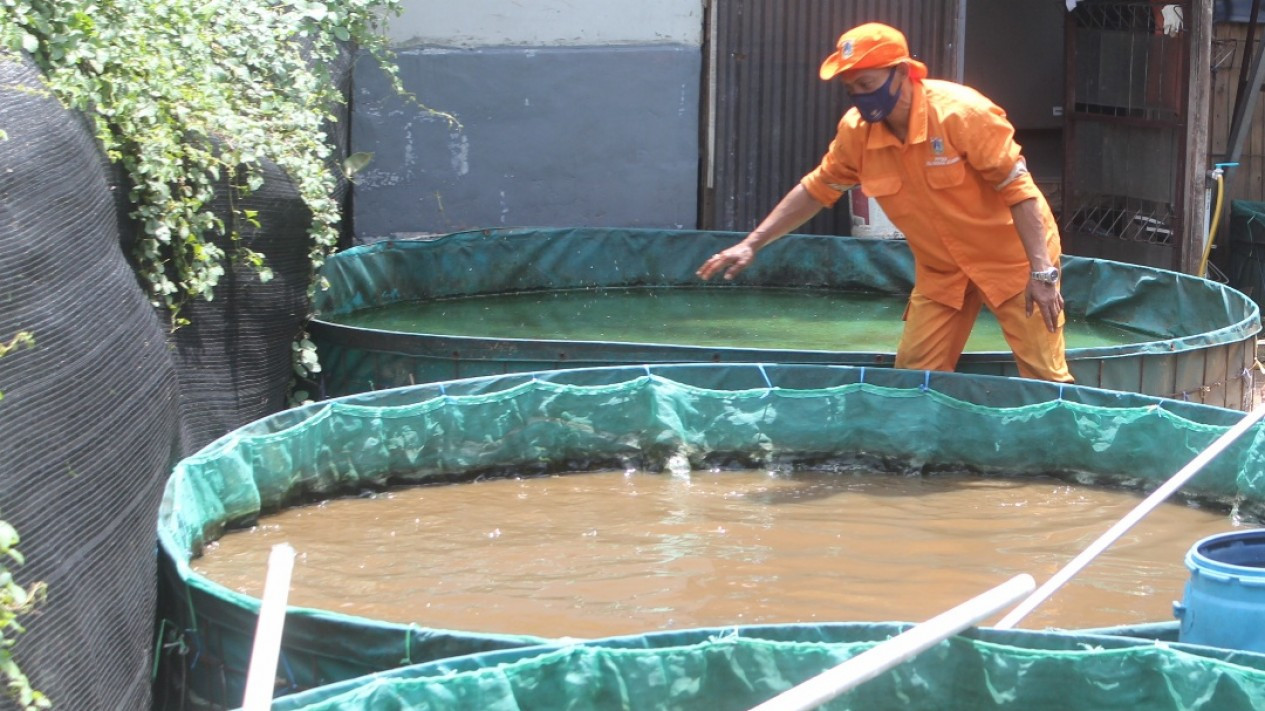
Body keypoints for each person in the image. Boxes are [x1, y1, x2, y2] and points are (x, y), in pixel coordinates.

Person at [696, 22, 1073, 383]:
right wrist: (752, 243)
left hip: (1013, 261)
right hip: (942, 271)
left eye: (867, 84)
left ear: (902, 72)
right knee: (913, 379)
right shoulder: (856, 133)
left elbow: (1019, 191)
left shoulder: (963, 114)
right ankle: (924, 449)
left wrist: (1042, 273)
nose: (860, 96)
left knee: (1044, 375)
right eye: (852, 89)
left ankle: (1064, 445)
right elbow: (816, 189)